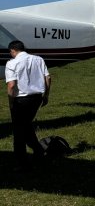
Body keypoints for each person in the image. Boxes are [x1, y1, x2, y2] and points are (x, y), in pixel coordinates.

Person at [5, 40, 51, 171]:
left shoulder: (12, 63)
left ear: (13, 50)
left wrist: (11, 102)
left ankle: (22, 163)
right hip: (36, 98)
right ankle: (38, 151)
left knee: (18, 132)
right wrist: (46, 95)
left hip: (21, 99)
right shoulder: (38, 59)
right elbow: (48, 78)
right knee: (26, 125)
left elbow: (11, 85)